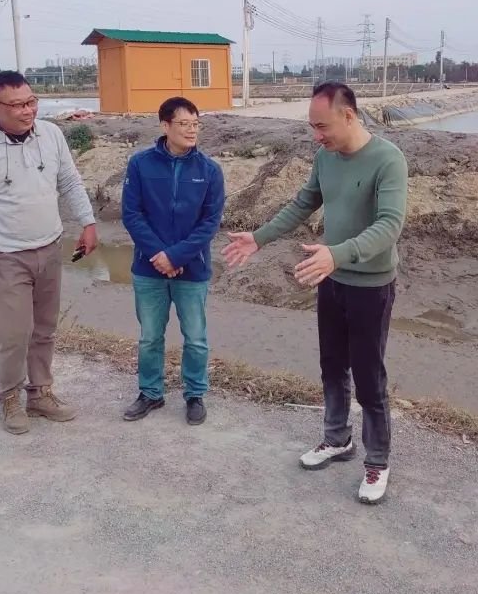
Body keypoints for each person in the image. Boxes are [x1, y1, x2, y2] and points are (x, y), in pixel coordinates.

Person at [222, 82, 407, 505]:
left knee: (369, 376)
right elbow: (303, 203)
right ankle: (337, 438)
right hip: (331, 278)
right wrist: (259, 237)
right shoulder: (325, 158)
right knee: (332, 365)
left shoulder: (388, 159)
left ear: (349, 115)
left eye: (322, 126)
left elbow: (389, 226)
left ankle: (377, 460)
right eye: (312, 126)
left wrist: (336, 254)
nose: (316, 136)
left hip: (371, 285)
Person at [0, 70, 98, 434]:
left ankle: (40, 393)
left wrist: (88, 222)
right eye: (16, 105)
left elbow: (70, 181)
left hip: (49, 247)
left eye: (31, 102)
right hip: (4, 255)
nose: (27, 110)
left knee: (45, 329)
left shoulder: (51, 134)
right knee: (14, 333)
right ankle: (9, 397)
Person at [120, 97, 225, 426]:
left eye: (196, 124)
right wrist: (159, 255)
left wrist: (176, 256)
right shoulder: (140, 164)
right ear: (165, 125)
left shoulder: (209, 170)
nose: (192, 130)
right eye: (184, 124)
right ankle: (151, 392)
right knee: (150, 336)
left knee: (195, 337)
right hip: (148, 268)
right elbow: (132, 214)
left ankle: (195, 394)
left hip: (192, 269)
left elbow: (210, 222)